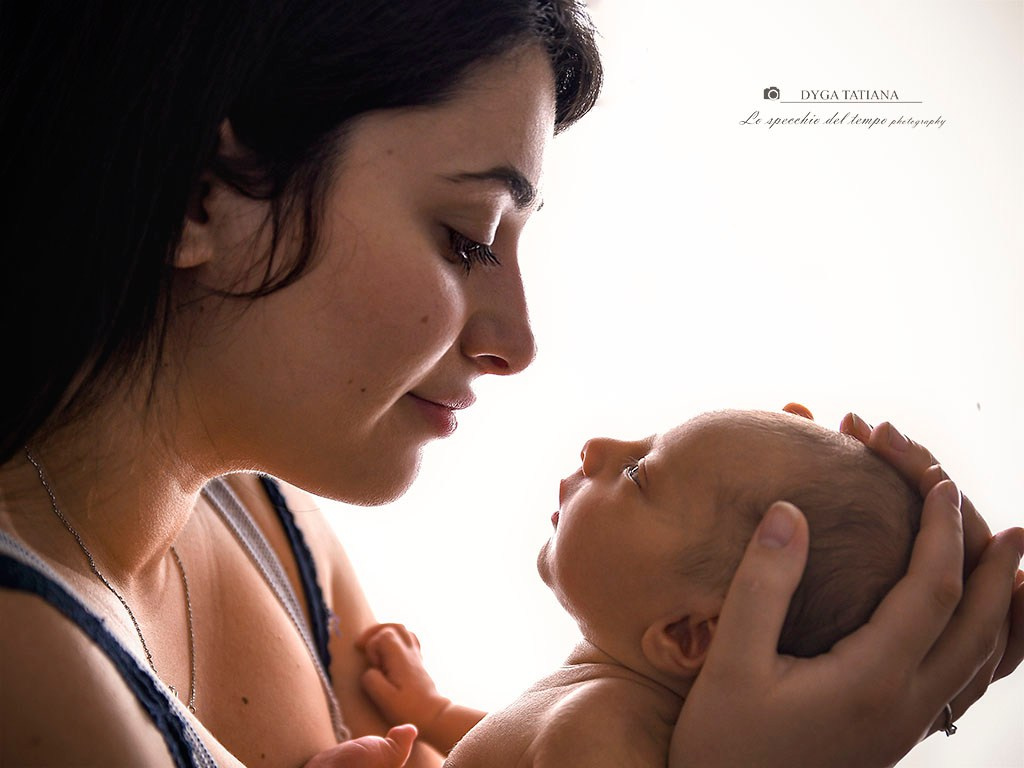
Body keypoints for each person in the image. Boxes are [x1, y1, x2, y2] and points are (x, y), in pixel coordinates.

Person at [0, 2, 1021, 767]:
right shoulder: (28, 665)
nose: (516, 342)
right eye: (466, 237)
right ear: (203, 197)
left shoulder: (277, 528)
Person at [357, 407, 939, 765]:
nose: (597, 449)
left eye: (639, 473)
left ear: (688, 635)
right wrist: (434, 713)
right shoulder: (601, 707)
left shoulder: (606, 736)